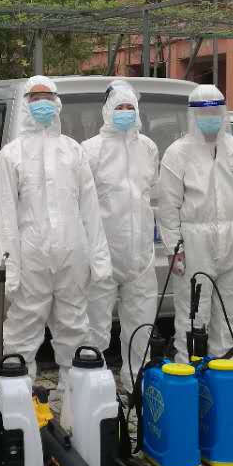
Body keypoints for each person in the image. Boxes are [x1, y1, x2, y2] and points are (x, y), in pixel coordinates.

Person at [0, 75, 112, 380]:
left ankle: (75, 400)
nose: (42, 103)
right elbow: (5, 216)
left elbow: (90, 209)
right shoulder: (11, 155)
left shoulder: (73, 151)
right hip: (31, 260)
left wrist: (99, 259)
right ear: (26, 104)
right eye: (35, 98)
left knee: (75, 330)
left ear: (57, 103)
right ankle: (18, 400)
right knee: (21, 334)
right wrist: (10, 268)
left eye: (48, 97)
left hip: (73, 256)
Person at [156, 84, 233, 363]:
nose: (210, 117)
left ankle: (227, 371)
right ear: (193, 114)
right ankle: (190, 372)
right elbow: (168, 205)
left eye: (215, 111)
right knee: (193, 311)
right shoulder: (178, 153)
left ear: (223, 112)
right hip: (194, 239)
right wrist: (174, 247)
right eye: (204, 112)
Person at [82, 81, 161, 390]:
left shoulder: (148, 148)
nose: (125, 113)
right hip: (103, 255)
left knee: (141, 328)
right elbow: (83, 203)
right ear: (107, 111)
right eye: (119, 107)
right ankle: (93, 387)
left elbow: (150, 193)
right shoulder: (91, 150)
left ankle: (136, 386)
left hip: (140, 257)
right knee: (94, 328)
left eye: (130, 107)